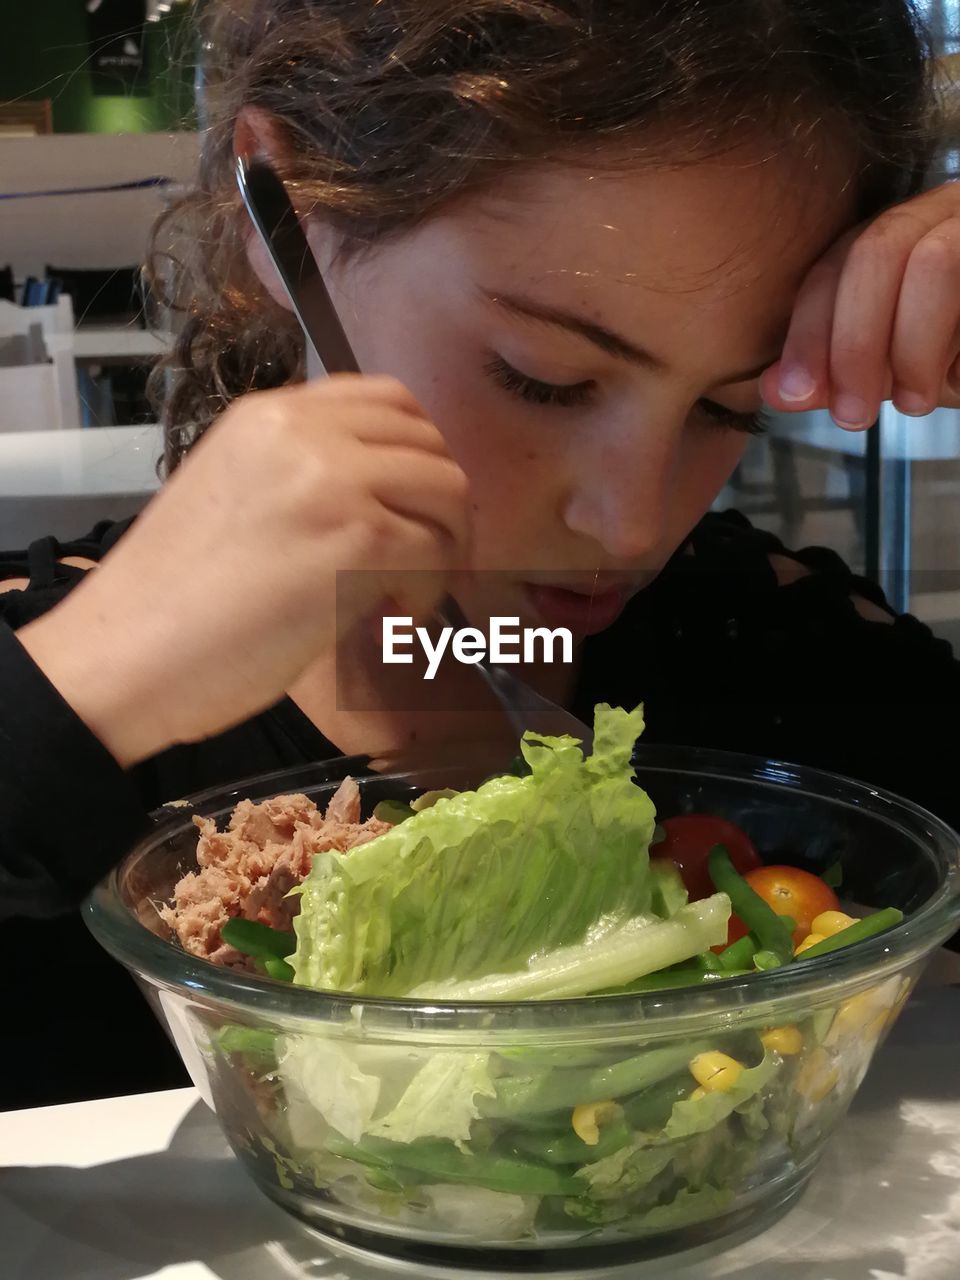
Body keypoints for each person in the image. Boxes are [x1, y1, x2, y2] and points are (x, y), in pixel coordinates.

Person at [3, 0, 960, 1106]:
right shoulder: (54, 679)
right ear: (286, 208)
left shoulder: (789, 660)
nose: (632, 526)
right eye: (542, 378)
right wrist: (79, 694)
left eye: (729, 408)